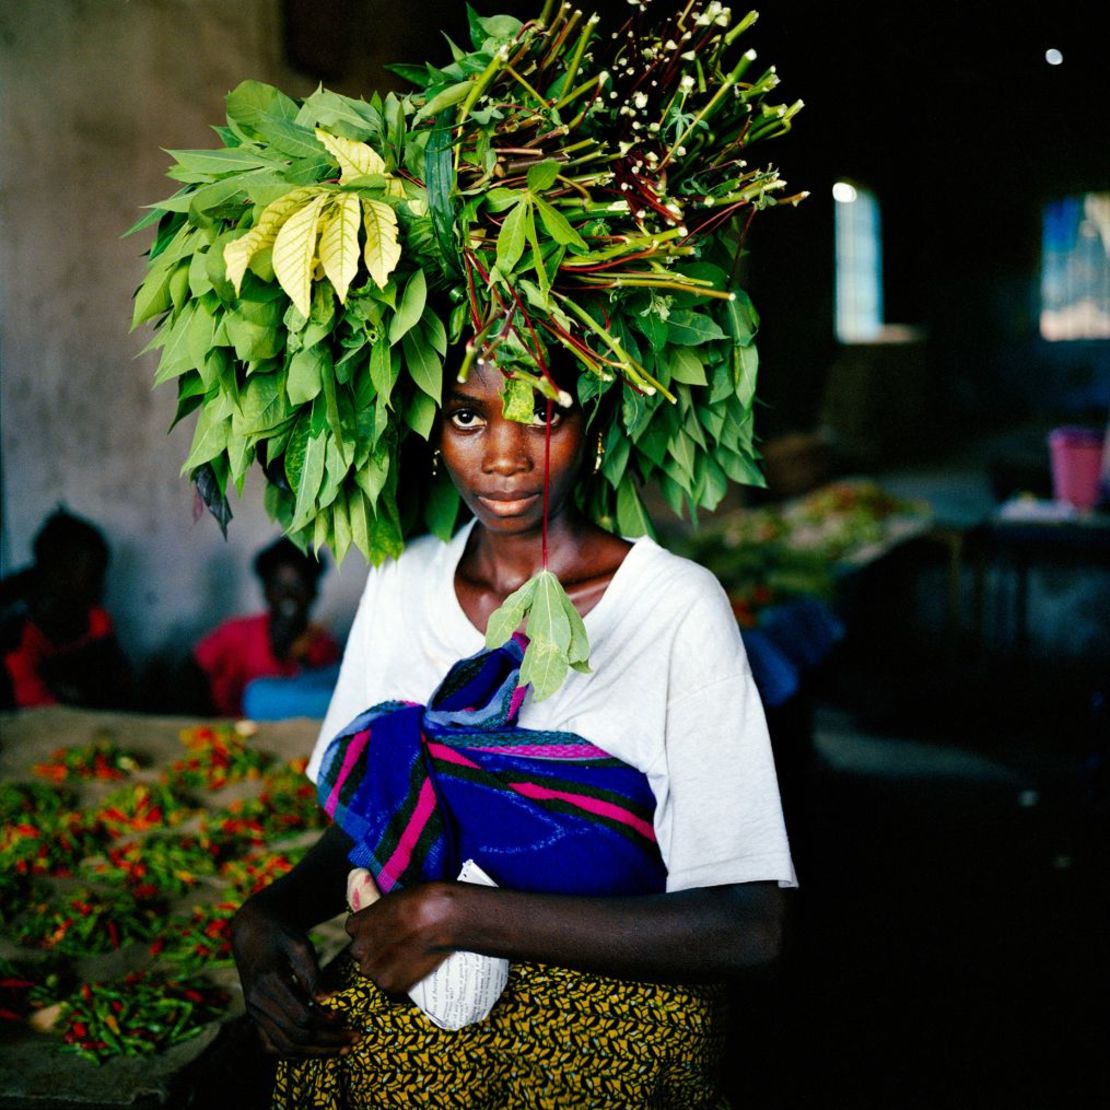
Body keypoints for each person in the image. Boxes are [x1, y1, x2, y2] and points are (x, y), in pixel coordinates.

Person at [231, 361, 796, 1106]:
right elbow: (373, 816)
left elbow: (748, 926)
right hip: (431, 1006)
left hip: (617, 1033)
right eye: (468, 416)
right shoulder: (404, 576)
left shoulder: (674, 609)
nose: (504, 456)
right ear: (432, 429)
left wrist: (456, 913)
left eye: (542, 413)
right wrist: (270, 912)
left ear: (591, 424)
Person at [191, 538, 341, 719]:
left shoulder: (323, 645)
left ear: (314, 591)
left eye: (298, 585)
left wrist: (304, 660)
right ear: (265, 591)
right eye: (278, 586)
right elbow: (192, 671)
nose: (288, 595)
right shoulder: (237, 634)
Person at [0, 507, 132, 710]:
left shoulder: (96, 619)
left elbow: (120, 687)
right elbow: (34, 709)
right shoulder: (18, 635)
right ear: (58, 575)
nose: (102, 587)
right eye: (92, 577)